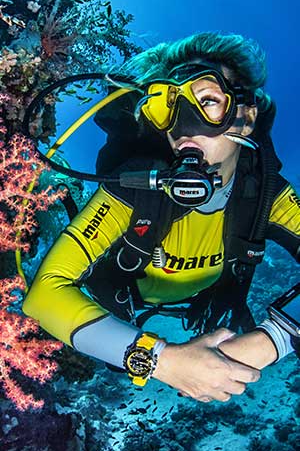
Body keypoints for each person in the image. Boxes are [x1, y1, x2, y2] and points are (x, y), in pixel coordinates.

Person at [23, 32, 300, 403]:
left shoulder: (268, 194)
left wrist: (272, 341)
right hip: (124, 301)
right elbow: (43, 294)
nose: (184, 128)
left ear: (246, 116)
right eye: (169, 106)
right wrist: (160, 361)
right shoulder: (134, 188)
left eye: (207, 102)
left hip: (209, 302)